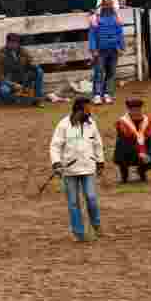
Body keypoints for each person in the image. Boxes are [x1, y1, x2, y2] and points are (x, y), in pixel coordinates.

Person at [49, 97, 104, 242]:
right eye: (87, 109)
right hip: (69, 170)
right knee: (73, 202)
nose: (89, 112)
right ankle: (79, 233)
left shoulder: (92, 124)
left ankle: (96, 224)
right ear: (79, 110)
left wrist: (100, 162)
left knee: (91, 197)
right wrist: (56, 163)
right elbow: (55, 145)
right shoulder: (63, 125)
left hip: (88, 167)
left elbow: (97, 143)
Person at [113, 98, 151, 183]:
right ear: (129, 110)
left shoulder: (147, 122)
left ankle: (141, 171)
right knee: (121, 153)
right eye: (133, 110)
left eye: (138, 109)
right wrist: (140, 153)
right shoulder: (122, 122)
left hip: (143, 151)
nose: (136, 112)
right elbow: (125, 143)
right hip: (127, 152)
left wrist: (148, 154)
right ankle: (124, 176)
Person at [89, 0, 124, 104]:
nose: (108, 5)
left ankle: (107, 93)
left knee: (111, 73)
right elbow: (92, 35)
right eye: (106, 3)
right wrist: (93, 49)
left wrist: (121, 46)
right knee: (99, 72)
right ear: (102, 4)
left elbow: (119, 33)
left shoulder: (116, 17)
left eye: (110, 3)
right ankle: (97, 94)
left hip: (113, 49)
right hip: (100, 50)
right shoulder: (96, 18)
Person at [0, 33, 45, 105]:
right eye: (12, 42)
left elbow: (32, 62)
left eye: (17, 42)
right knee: (4, 91)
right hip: (8, 81)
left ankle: (37, 98)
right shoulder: (0, 55)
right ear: (7, 43)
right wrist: (13, 85)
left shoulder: (23, 51)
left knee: (39, 71)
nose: (15, 44)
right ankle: (18, 99)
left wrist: (33, 64)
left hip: (23, 79)